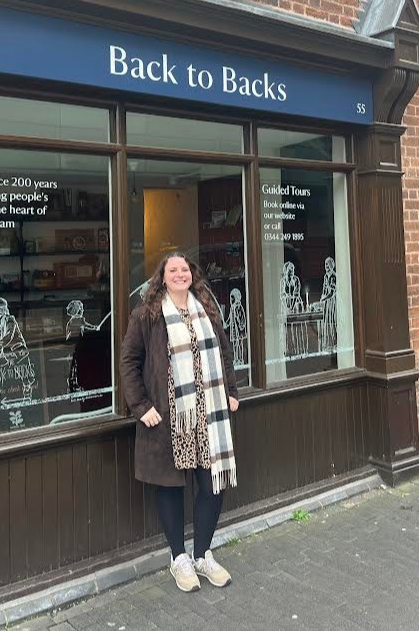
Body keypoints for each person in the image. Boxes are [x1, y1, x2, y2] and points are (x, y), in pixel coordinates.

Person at [120, 252, 239, 593]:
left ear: (192, 275)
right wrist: (140, 405)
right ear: (162, 276)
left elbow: (224, 352)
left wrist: (231, 390)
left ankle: (202, 554)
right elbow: (129, 361)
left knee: (212, 484)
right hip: (169, 416)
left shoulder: (207, 310)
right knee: (170, 485)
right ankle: (179, 558)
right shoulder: (147, 315)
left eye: (184, 269)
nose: (179, 274)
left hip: (209, 414)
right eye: (172, 269)